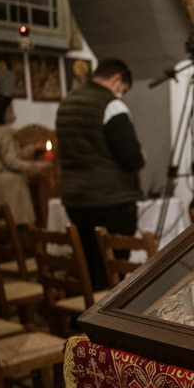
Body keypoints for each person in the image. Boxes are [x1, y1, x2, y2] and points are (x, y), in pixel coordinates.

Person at [56, 58, 145, 291]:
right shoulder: (111, 105)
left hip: (75, 198)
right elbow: (130, 156)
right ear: (117, 79)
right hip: (110, 201)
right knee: (112, 272)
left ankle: (87, 308)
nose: (120, 94)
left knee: (87, 265)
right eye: (122, 89)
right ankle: (108, 313)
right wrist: (141, 156)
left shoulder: (67, 102)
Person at [0, 93, 49, 227]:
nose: (11, 111)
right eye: (9, 108)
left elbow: (8, 155)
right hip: (11, 183)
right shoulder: (3, 132)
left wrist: (32, 148)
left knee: (5, 222)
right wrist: (37, 165)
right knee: (17, 222)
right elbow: (11, 161)